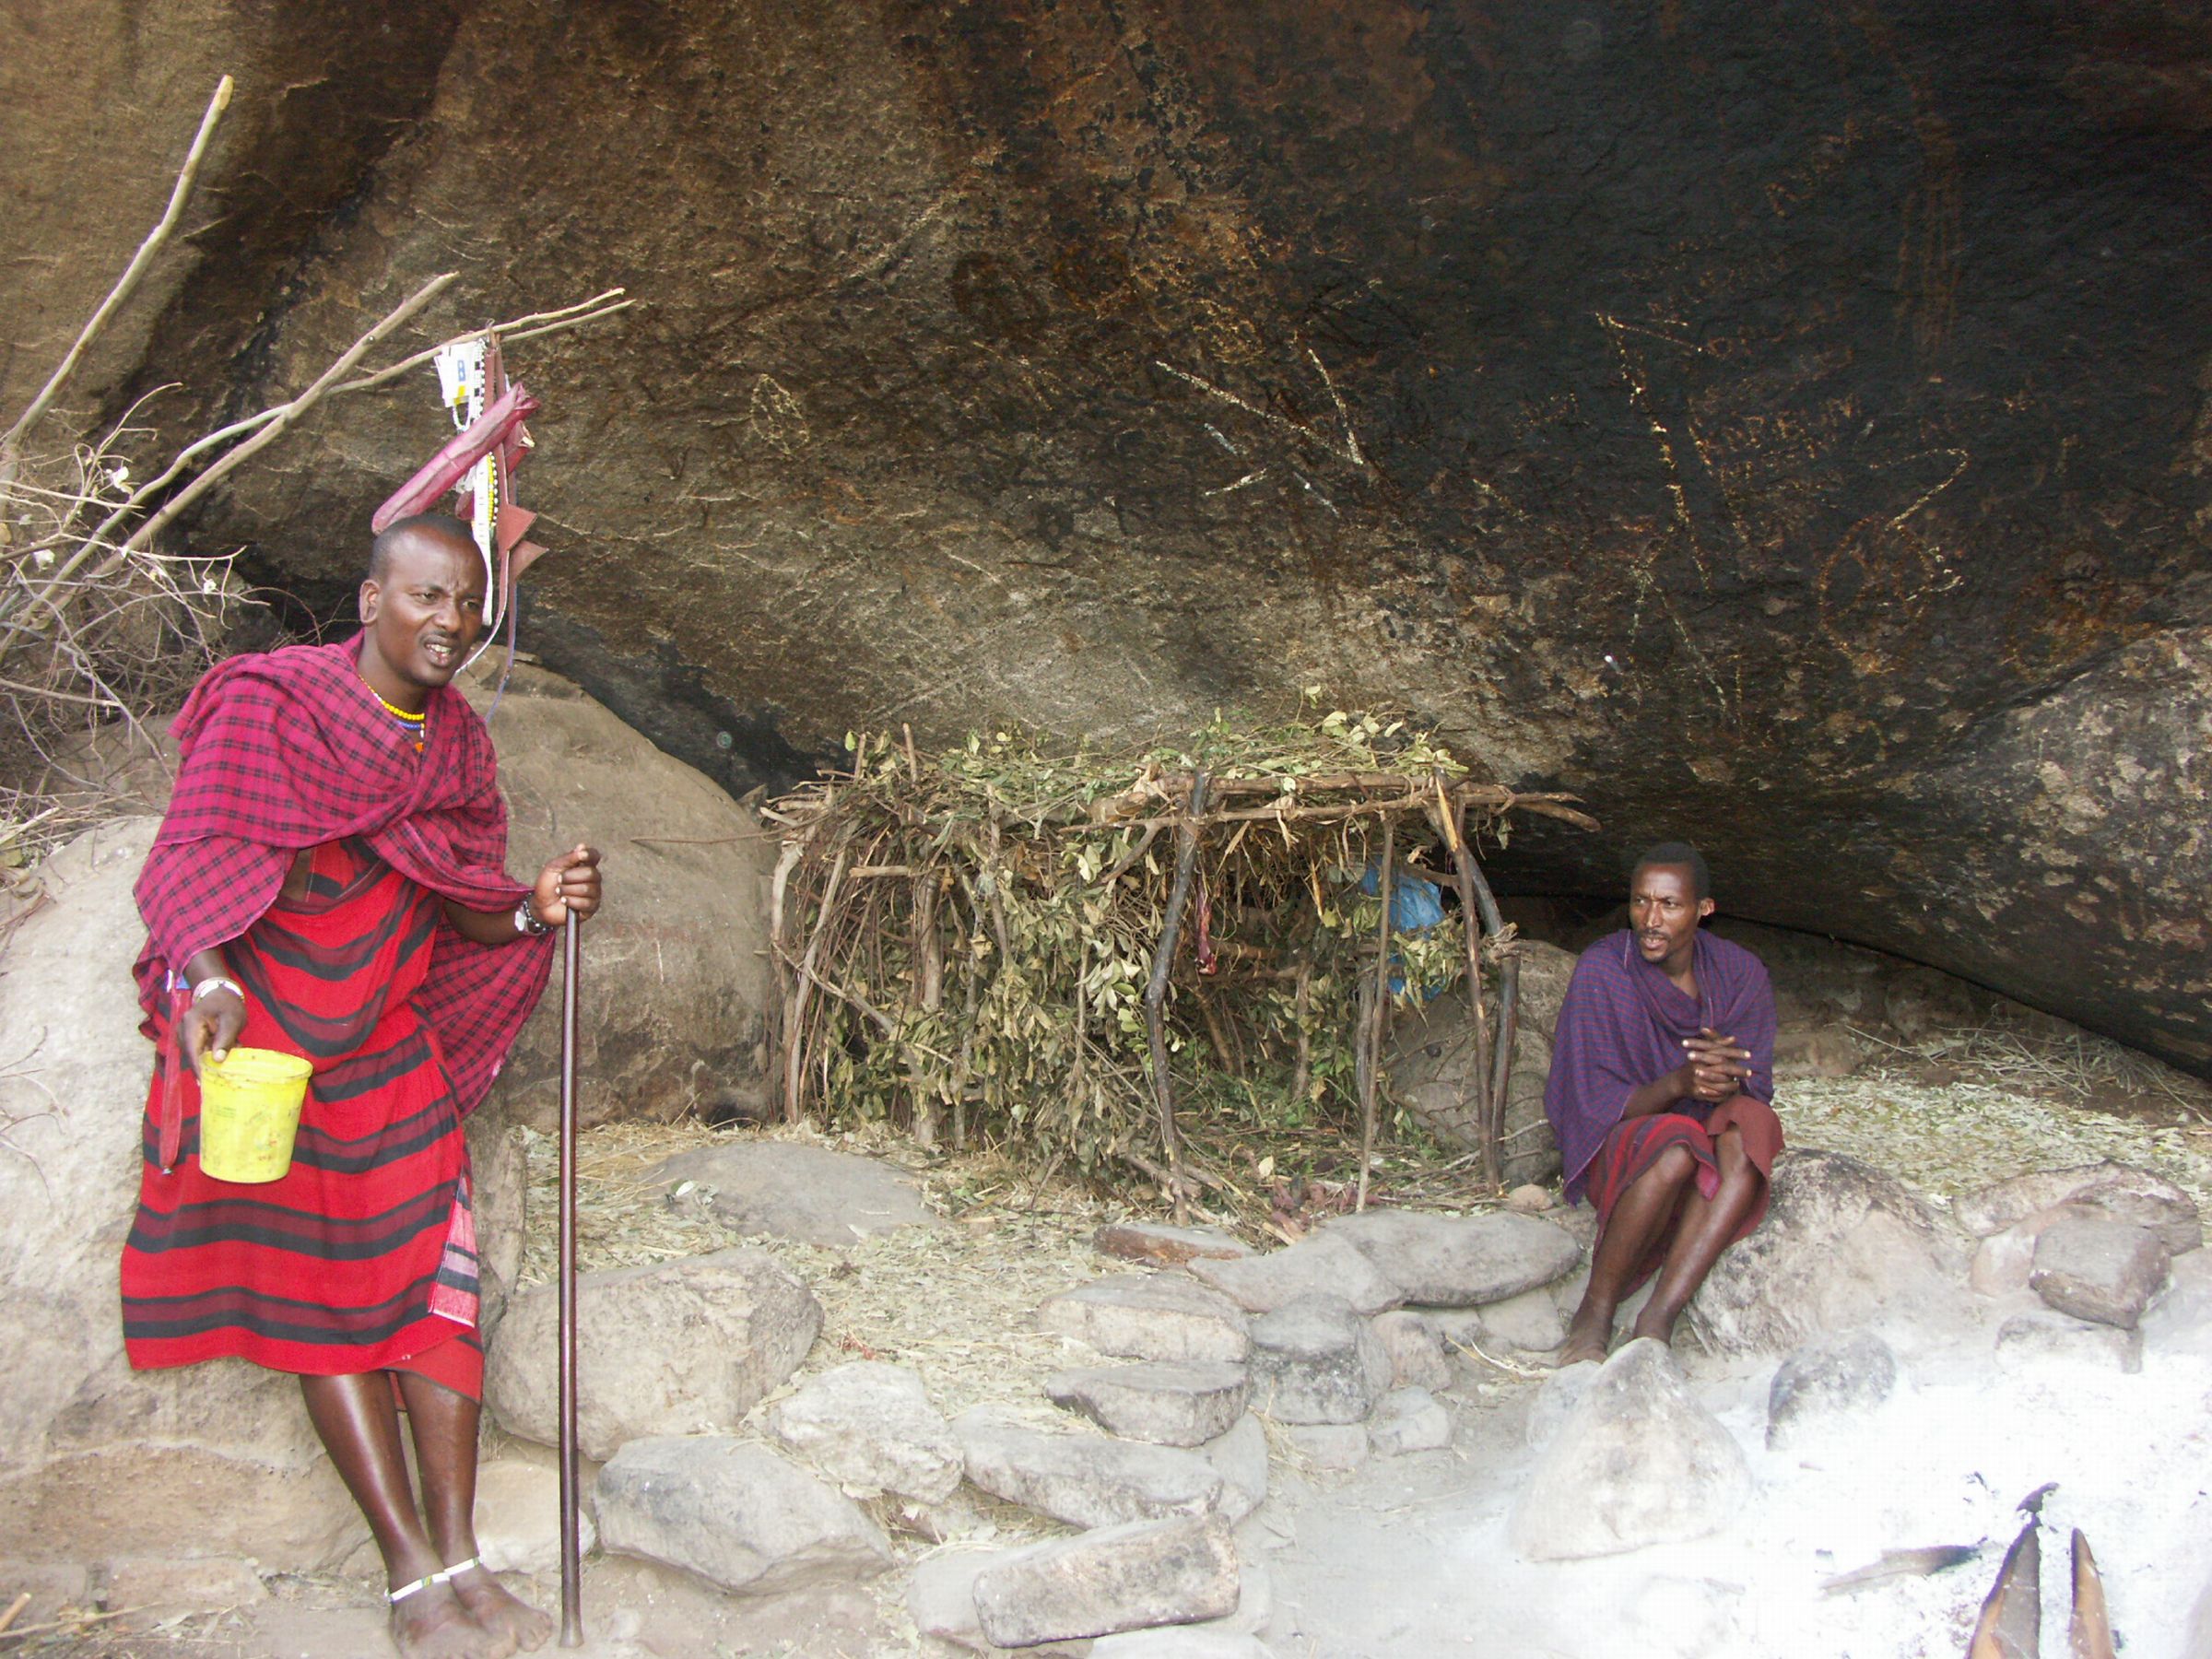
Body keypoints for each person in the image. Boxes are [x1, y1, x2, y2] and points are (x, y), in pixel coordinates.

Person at [121, 514, 602, 1659]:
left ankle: (465, 1557)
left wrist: (531, 907)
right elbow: (191, 855)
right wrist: (208, 980)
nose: (452, 622)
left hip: (389, 1054)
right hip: (275, 1060)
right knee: (326, 1308)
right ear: (372, 601)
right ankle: (408, 1576)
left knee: (440, 1296)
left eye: (469, 603)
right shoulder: (273, 704)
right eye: (429, 596)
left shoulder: (455, 745)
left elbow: (458, 897)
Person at [1544, 841, 1783, 1365]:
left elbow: (1753, 1079)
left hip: (1706, 1128)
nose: (1650, 920)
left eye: (1670, 904)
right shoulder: (1605, 969)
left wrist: (1723, 1079)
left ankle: (1660, 1315)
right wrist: (1679, 1084)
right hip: (1631, 1139)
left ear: (1704, 909)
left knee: (1754, 1125)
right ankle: (1596, 1310)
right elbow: (1590, 1101)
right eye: (1640, 901)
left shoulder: (1739, 973)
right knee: (1676, 1146)